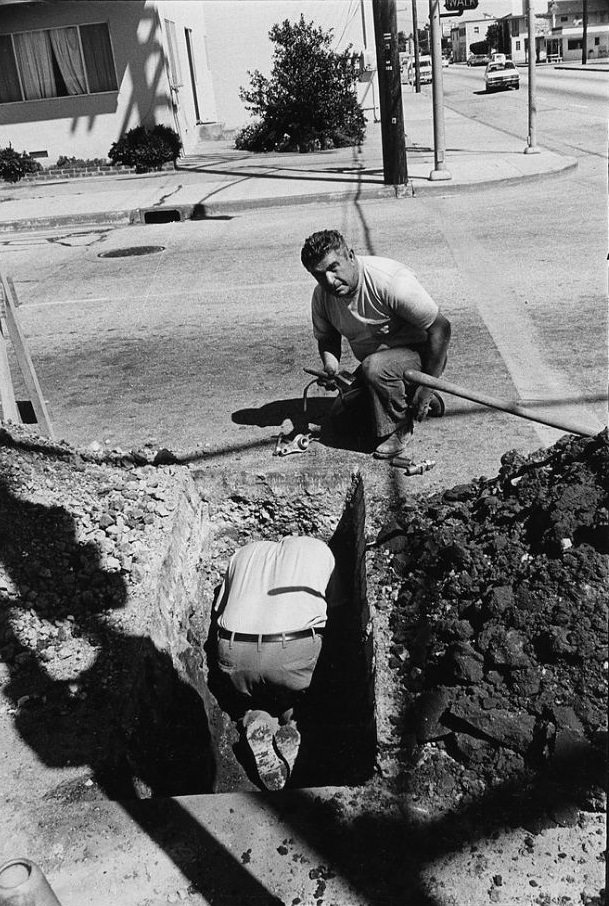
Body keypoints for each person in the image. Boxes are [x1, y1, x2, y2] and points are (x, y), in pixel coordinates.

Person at [301, 229, 451, 459]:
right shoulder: (322, 296)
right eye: (320, 275)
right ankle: (410, 400)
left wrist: (428, 386)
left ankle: (399, 427)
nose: (329, 281)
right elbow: (328, 336)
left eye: (333, 268)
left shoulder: (390, 282)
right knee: (341, 422)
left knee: (375, 368)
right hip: (379, 364)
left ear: (350, 256)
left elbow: (440, 328)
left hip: (420, 355)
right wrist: (330, 367)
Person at [211, 535, 341, 791]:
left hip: (235, 651)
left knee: (250, 696)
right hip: (292, 651)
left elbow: (219, 609)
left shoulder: (242, 552)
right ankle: (293, 722)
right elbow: (338, 607)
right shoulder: (321, 550)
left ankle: (256, 719)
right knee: (303, 689)